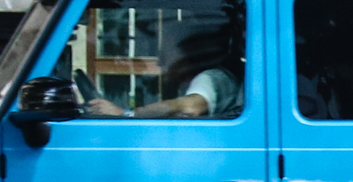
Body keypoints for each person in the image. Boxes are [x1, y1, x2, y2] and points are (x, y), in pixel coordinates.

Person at [85, 29, 242, 119]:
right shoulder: (196, 81)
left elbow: (189, 107)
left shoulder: (212, 78)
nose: (160, 63)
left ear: (185, 53)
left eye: (164, 54)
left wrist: (125, 114)